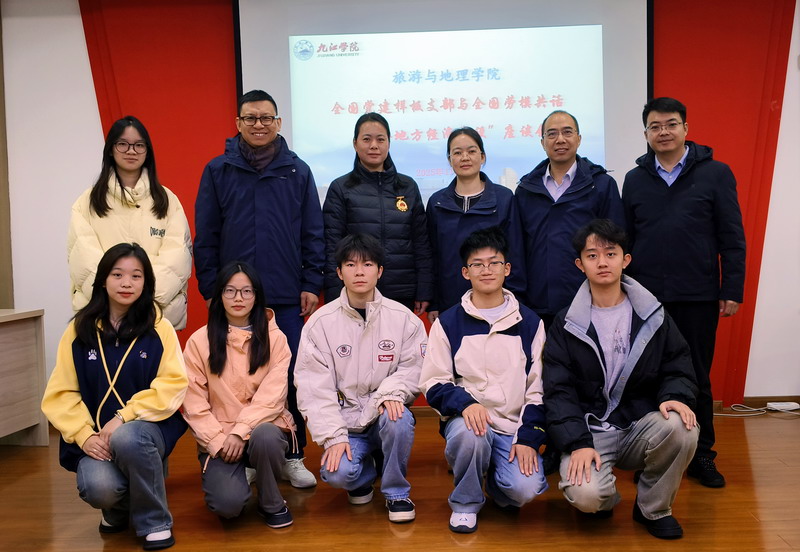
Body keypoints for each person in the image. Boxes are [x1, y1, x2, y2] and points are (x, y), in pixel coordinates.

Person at [194, 90, 324, 488]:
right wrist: (211, 288)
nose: (259, 124)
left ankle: (292, 455)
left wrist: (311, 282)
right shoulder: (218, 170)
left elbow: (313, 232)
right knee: (236, 378)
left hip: (284, 294)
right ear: (238, 123)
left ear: (278, 123)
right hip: (234, 299)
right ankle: (249, 453)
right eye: (250, 118)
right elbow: (206, 235)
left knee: (290, 377)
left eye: (266, 118)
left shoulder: (297, 171)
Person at [543, 219, 699, 539]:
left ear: (625, 260)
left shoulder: (652, 314)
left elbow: (677, 363)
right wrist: (577, 443)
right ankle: (605, 497)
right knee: (587, 497)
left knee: (683, 426)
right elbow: (558, 390)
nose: (602, 262)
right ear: (580, 264)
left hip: (638, 422)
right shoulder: (566, 322)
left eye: (611, 253)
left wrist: (675, 396)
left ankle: (653, 508)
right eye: (592, 255)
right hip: (590, 429)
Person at [622, 97, 746, 488]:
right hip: (646, 298)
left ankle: (702, 454)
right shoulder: (635, 179)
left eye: (671, 124)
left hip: (697, 294)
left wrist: (732, 288)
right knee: (645, 376)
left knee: (697, 376)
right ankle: (652, 452)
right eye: (655, 126)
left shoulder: (715, 174)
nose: (663, 132)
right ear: (646, 133)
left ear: (686, 128)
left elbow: (732, 236)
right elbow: (627, 241)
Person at [42, 243, 188, 551]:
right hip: (96, 436)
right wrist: (84, 435)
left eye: (136, 276)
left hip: (145, 430)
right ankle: (119, 507)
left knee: (128, 438)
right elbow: (61, 393)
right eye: (117, 274)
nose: (126, 283)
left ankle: (155, 522)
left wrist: (124, 417)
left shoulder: (159, 327)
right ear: (103, 280)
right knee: (99, 487)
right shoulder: (78, 330)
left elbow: (173, 383)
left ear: (146, 282)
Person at [420, 226, 548, 534]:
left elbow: (538, 389)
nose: (486, 270)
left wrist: (528, 437)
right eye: (477, 264)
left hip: (512, 426)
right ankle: (465, 503)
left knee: (524, 490)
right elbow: (433, 382)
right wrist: (466, 404)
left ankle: (494, 481)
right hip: (468, 422)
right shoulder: (448, 322)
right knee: (471, 434)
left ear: (507, 269)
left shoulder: (530, 323)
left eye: (494, 263)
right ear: (466, 272)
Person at [295, 233, 426, 523]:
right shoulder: (320, 324)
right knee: (337, 473)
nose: (359, 272)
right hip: (347, 422)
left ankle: (396, 492)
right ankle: (365, 474)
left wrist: (390, 394)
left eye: (367, 264)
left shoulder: (403, 318)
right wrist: (334, 436)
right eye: (351, 265)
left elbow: (415, 368)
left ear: (379, 271)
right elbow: (313, 388)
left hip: (383, 414)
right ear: (339, 272)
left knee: (398, 418)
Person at [182, 261, 296, 528]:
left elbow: (272, 397)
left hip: (262, 428)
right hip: (220, 437)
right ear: (219, 295)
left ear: (256, 296)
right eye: (230, 291)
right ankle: (235, 479)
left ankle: (271, 500)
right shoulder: (199, 341)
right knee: (227, 506)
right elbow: (193, 402)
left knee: (266, 436)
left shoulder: (276, 339)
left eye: (246, 291)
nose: (238, 298)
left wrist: (240, 431)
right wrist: (218, 440)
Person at [67, 116, 192, 330]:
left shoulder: (168, 201)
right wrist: (115, 303)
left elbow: (177, 259)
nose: (131, 151)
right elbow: (84, 261)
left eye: (139, 145)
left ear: (147, 151)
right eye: (123, 144)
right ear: (110, 149)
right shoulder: (87, 202)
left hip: (155, 319)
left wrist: (144, 301)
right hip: (102, 319)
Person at [514, 110, 624, 329]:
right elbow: (517, 248)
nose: (560, 139)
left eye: (567, 132)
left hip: (591, 302)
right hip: (538, 304)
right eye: (552, 134)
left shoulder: (601, 184)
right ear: (542, 142)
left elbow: (616, 245)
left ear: (579, 139)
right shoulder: (526, 189)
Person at [323, 112, 433, 315]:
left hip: (401, 292)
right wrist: (334, 294)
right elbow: (332, 246)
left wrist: (424, 290)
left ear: (389, 143)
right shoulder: (341, 188)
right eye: (367, 139)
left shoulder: (408, 186)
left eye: (380, 139)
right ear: (355, 144)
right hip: (356, 294)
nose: (374, 145)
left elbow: (421, 243)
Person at [426, 127, 525, 323]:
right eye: (457, 152)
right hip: (450, 300)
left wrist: (516, 298)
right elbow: (432, 255)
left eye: (471, 151)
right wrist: (434, 301)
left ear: (482, 157)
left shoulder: (504, 199)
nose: (465, 157)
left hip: (496, 302)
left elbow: (515, 253)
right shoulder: (437, 202)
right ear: (449, 159)